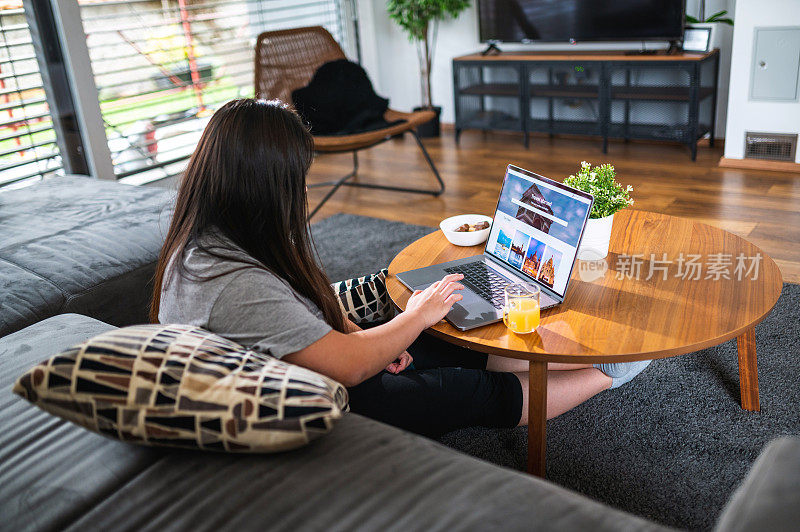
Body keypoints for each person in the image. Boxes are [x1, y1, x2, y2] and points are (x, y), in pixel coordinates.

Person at [153, 98, 650, 439]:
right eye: (297, 181)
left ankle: (545, 358)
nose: (302, 192)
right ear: (258, 188)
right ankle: (609, 371)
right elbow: (347, 367)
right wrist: (411, 318)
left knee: (434, 337)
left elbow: (308, 306)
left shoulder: (215, 238)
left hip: (302, 366)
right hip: (313, 405)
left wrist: (390, 331)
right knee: (463, 387)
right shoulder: (233, 284)